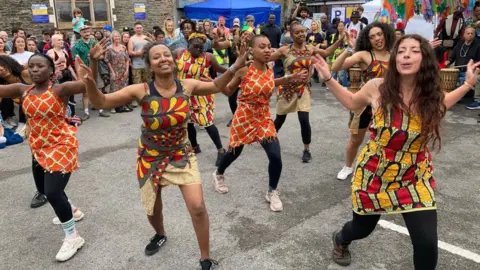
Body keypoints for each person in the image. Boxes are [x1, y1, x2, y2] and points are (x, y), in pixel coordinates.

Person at [313, 33, 480, 270]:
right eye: (401, 51)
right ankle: (341, 239)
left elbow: (444, 102)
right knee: (362, 228)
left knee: (427, 243)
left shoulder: (430, 94)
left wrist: (467, 85)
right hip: (375, 175)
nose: (406, 55)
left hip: (414, 175)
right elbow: (352, 102)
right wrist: (329, 78)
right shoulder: (377, 87)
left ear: (425, 59)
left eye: (413, 50)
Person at [80, 39, 250, 270]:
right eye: (157, 57)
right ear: (150, 65)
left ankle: (205, 257)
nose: (163, 59)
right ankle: (160, 233)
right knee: (153, 207)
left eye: (166, 55)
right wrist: (90, 75)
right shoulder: (140, 90)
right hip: (150, 156)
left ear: (174, 59)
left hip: (181, 154)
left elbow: (216, 86)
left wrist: (236, 64)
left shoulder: (187, 85)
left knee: (198, 207)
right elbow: (102, 101)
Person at [0, 51, 97, 261]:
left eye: (40, 66)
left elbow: (87, 85)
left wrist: (93, 63)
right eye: (31, 66)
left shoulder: (60, 89)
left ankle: (73, 237)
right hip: (38, 148)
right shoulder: (22, 90)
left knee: (52, 193)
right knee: (43, 189)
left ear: (51, 70)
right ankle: (73, 210)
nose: (35, 70)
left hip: (61, 145)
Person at [213, 35, 307, 211]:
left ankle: (272, 191)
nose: (267, 50)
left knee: (276, 156)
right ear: (252, 50)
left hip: (263, 117)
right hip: (244, 116)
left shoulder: (269, 68)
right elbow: (227, 91)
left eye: (269, 46)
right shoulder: (244, 70)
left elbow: (269, 83)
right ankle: (218, 174)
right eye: (262, 47)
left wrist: (289, 77)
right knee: (234, 152)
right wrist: (218, 81)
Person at [269, 21, 345, 162]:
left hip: (303, 89)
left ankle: (306, 149)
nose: (301, 35)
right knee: (280, 119)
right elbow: (266, 58)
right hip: (286, 89)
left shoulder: (310, 49)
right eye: (297, 32)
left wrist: (340, 39)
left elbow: (327, 52)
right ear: (291, 35)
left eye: (303, 31)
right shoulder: (285, 50)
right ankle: (269, 140)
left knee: (304, 119)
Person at [331, 22, 394, 180]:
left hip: (390, 105)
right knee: (355, 139)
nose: (377, 39)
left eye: (379, 34)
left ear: (386, 34)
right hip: (365, 104)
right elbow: (335, 68)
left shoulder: (394, 55)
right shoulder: (365, 55)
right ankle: (348, 166)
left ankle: (382, 168)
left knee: (388, 139)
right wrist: (349, 49)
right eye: (372, 37)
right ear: (368, 40)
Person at [174, 32, 228, 166]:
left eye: (201, 47)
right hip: (184, 95)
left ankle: (221, 150)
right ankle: (194, 146)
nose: (199, 49)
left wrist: (213, 81)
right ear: (188, 45)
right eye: (196, 46)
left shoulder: (208, 57)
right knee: (189, 122)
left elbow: (224, 70)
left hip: (202, 94)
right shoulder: (179, 54)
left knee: (207, 122)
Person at [445, 27, 480, 109]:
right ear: (464, 35)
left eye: (472, 33)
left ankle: (475, 100)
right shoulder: (459, 45)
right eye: (468, 33)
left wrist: (474, 65)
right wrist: (448, 61)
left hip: (469, 71)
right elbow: (452, 57)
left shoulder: (478, 46)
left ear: (474, 35)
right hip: (458, 70)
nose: (470, 35)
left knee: (461, 82)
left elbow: (478, 61)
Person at [72, 24, 95, 121]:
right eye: (84, 32)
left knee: (97, 89)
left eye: (88, 31)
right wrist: (78, 75)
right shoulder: (76, 46)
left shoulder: (94, 42)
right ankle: (86, 112)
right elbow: (76, 61)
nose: (86, 33)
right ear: (80, 33)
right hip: (84, 70)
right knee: (85, 92)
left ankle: (100, 108)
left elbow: (101, 55)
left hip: (94, 69)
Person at [128, 22, 153, 108]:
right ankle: (137, 100)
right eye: (137, 28)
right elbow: (130, 52)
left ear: (143, 29)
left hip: (146, 64)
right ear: (134, 29)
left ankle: (148, 98)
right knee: (137, 83)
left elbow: (153, 47)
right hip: (136, 64)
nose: (139, 29)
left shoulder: (146, 38)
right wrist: (139, 53)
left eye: (140, 28)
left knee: (147, 82)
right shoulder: (132, 39)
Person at [105, 31, 130, 113]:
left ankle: (123, 105)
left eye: (118, 36)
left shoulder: (123, 47)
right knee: (114, 89)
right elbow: (107, 61)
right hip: (115, 71)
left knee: (124, 89)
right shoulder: (109, 48)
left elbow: (127, 59)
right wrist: (112, 72)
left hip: (123, 71)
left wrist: (127, 70)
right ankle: (113, 106)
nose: (117, 38)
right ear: (112, 38)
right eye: (115, 36)